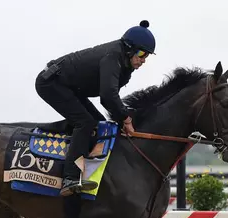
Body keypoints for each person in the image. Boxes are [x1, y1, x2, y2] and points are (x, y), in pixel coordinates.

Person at [35, 20, 156, 197]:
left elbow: (109, 99)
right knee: (85, 123)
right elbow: (107, 97)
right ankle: (70, 177)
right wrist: (126, 118)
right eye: (141, 53)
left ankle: (82, 163)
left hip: (70, 87)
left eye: (147, 56)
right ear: (129, 48)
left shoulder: (125, 66)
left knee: (99, 125)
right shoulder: (113, 57)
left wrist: (121, 118)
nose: (143, 60)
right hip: (51, 83)